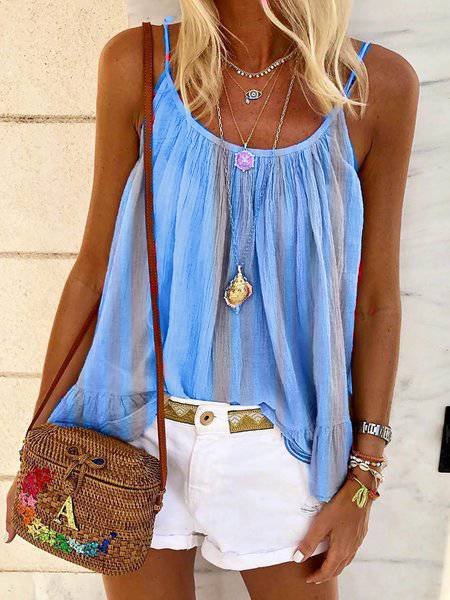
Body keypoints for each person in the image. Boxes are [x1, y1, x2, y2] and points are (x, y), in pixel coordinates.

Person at [5, 1, 419, 598]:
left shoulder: (378, 87)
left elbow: (376, 299)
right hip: (131, 436)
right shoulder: (139, 65)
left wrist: (365, 478)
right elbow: (93, 273)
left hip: (286, 452)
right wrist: (38, 445)